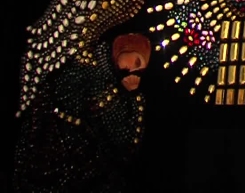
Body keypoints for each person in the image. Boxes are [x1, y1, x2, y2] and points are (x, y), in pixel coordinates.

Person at [13, 33, 151, 193]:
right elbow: (69, 98)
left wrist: (131, 98)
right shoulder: (87, 62)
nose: (133, 71)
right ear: (124, 48)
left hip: (88, 168)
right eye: (136, 62)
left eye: (139, 71)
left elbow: (124, 145)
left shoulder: (127, 98)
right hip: (52, 149)